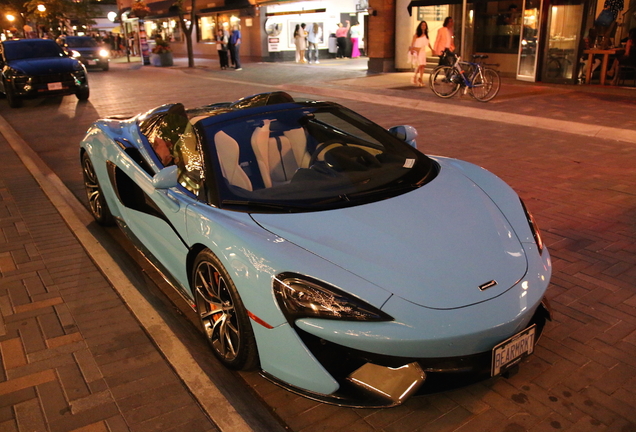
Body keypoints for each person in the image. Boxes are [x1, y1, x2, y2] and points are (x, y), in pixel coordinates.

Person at [409, 21, 434, 86]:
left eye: (425, 25)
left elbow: (428, 43)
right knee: (420, 64)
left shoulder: (426, 35)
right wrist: (412, 49)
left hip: (423, 51)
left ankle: (421, 78)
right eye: (422, 25)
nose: (423, 26)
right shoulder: (417, 34)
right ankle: (414, 76)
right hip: (417, 50)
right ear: (420, 26)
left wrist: (431, 49)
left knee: (423, 65)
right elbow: (412, 43)